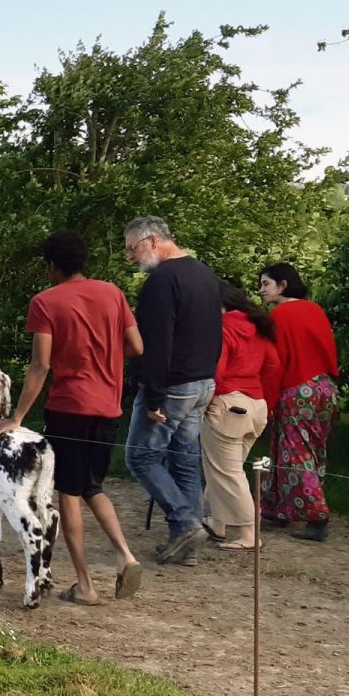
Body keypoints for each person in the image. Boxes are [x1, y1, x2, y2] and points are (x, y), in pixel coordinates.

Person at [0, 230, 144, 606]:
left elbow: (40, 364)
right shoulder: (112, 293)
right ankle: (126, 556)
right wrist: (105, 360)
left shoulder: (45, 302)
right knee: (93, 486)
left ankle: (86, 586)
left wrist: (17, 416)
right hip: (109, 407)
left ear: (52, 265)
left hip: (71, 407)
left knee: (69, 495)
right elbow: (137, 346)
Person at [122, 216, 222, 566]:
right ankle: (188, 545)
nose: (130, 257)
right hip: (202, 382)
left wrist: (153, 395)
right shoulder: (204, 274)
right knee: (184, 461)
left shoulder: (162, 282)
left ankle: (184, 523)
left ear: (151, 241)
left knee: (141, 457)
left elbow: (157, 343)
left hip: (173, 385)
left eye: (131, 248)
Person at [258, 262, 339, 541]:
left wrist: (267, 401)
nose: (262, 290)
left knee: (295, 451)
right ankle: (277, 508)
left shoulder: (280, 316)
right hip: (324, 386)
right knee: (310, 449)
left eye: (266, 284)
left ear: (282, 285)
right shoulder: (315, 310)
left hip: (297, 387)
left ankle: (316, 516)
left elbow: (275, 363)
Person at [201, 280, 281, 550]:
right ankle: (218, 522)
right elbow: (272, 367)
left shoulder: (222, 328)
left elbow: (216, 371)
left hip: (228, 404)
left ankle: (249, 533)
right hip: (256, 405)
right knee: (222, 468)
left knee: (227, 472)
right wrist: (267, 405)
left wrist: (204, 401)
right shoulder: (259, 327)